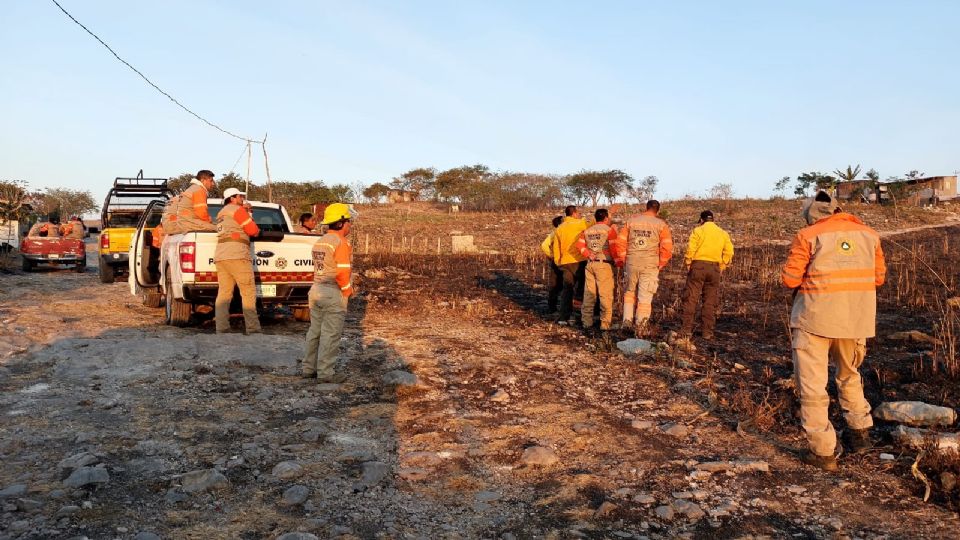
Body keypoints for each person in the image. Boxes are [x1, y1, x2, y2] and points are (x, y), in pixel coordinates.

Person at [781, 191, 886, 471]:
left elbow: (789, 280)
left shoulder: (807, 235)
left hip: (813, 319)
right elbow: (879, 278)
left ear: (813, 213)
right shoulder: (870, 235)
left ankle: (823, 452)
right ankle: (860, 433)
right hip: (854, 320)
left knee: (813, 386)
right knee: (849, 375)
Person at [302, 203, 354, 383]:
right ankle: (326, 373)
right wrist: (347, 291)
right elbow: (342, 271)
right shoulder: (341, 243)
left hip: (316, 289)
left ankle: (308, 368)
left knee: (315, 331)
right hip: (333, 291)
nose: (349, 225)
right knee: (331, 334)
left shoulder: (320, 241)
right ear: (340, 223)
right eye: (348, 222)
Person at [618, 200, 672, 335]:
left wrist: (626, 259)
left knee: (629, 293)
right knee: (645, 298)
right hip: (650, 265)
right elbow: (667, 248)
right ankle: (640, 328)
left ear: (646, 208)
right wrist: (660, 264)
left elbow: (620, 242)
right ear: (658, 211)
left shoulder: (631, 222)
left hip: (631, 262)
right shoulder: (661, 225)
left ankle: (626, 323)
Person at [679, 210, 734, 340]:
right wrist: (722, 266)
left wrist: (688, 263)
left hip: (698, 266)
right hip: (714, 268)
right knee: (710, 301)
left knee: (691, 298)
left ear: (702, 220)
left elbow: (690, 249)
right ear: (713, 219)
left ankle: (686, 330)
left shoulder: (698, 231)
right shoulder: (723, 233)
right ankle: (707, 333)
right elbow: (729, 252)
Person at [214, 188, 261, 334]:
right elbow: (253, 231)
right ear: (232, 198)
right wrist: (248, 214)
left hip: (221, 256)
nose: (242, 199)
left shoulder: (221, 213)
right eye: (240, 196)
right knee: (248, 292)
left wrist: (247, 212)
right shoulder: (238, 210)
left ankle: (221, 328)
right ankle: (253, 329)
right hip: (238, 255)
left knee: (224, 294)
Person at [576, 209, 620, 333]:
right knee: (605, 295)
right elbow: (613, 248)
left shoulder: (587, 230)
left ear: (596, 219)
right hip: (604, 265)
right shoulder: (609, 230)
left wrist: (588, 254)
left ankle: (586, 322)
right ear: (606, 218)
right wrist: (618, 262)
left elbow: (579, 246)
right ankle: (605, 325)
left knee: (589, 294)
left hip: (590, 264)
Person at [551, 205, 587, 325]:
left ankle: (563, 317)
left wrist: (558, 261)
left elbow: (556, 248)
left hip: (565, 262)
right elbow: (594, 224)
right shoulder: (580, 224)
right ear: (575, 213)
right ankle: (577, 315)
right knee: (580, 289)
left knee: (567, 289)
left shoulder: (559, 228)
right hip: (579, 260)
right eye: (578, 213)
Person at [162, 170, 218, 235]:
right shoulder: (199, 190)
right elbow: (202, 214)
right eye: (211, 181)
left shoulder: (192, 188)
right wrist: (210, 222)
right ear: (203, 180)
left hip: (183, 223)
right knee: (221, 229)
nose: (213, 184)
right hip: (189, 223)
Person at [540, 215, 564, 313]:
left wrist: (552, 256)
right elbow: (544, 245)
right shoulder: (557, 232)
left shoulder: (554, 233)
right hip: (563, 261)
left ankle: (552, 307)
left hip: (556, 261)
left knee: (555, 285)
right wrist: (552, 256)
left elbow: (544, 245)